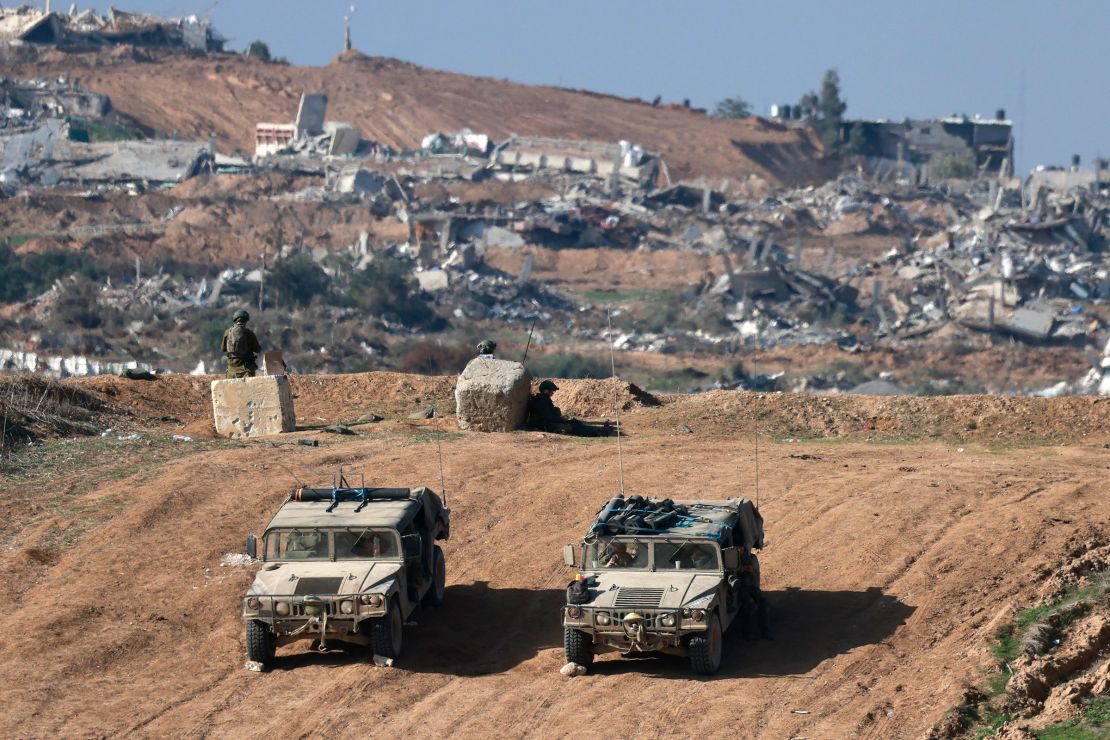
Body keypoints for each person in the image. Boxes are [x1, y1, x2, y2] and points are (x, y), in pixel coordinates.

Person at [527, 380, 611, 437]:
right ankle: (598, 433)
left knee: (575, 422)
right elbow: (548, 417)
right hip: (546, 426)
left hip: (548, 423)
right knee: (574, 427)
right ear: (546, 391)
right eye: (551, 391)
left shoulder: (543, 399)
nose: (552, 393)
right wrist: (563, 420)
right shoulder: (541, 401)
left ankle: (599, 430)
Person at [220, 308, 262, 378]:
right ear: (246, 321)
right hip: (247, 370)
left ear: (235, 320)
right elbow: (257, 349)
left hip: (231, 370)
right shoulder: (249, 333)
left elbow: (223, 349)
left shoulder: (228, 332)